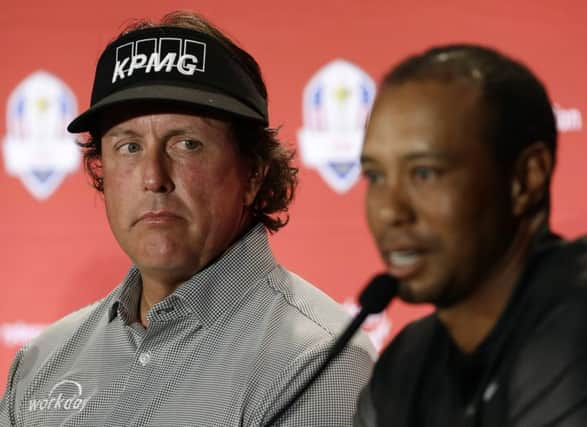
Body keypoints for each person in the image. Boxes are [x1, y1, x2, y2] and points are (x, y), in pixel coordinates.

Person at [0, 11, 375, 426]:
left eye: (186, 144)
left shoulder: (319, 362)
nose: (154, 178)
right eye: (128, 147)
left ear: (253, 173)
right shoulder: (41, 364)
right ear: (100, 171)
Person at [354, 44, 587, 427]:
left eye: (424, 173)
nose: (390, 211)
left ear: (525, 178)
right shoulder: (407, 360)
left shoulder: (584, 318)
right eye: (375, 176)